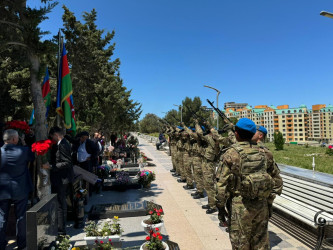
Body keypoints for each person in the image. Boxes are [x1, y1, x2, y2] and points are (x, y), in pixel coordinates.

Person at [216, 118, 278, 249]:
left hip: (240, 205)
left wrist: (221, 209)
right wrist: (269, 203)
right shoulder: (265, 153)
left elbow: (221, 185)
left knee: (241, 244)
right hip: (261, 204)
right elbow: (276, 180)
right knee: (260, 244)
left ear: (237, 134)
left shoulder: (231, 153)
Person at [0, 129, 34, 250]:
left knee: (2, 217)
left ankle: (1, 244)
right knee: (21, 217)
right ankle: (22, 244)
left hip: (2, 190)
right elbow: (32, 156)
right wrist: (24, 143)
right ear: (14, 139)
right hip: (20, 189)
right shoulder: (23, 150)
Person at [47, 126, 73, 235]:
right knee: (61, 204)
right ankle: (61, 228)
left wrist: (52, 166)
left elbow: (67, 162)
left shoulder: (62, 144)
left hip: (62, 179)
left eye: (52, 136)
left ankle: (61, 231)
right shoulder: (61, 143)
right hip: (61, 178)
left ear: (56, 135)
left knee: (60, 205)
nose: (52, 139)